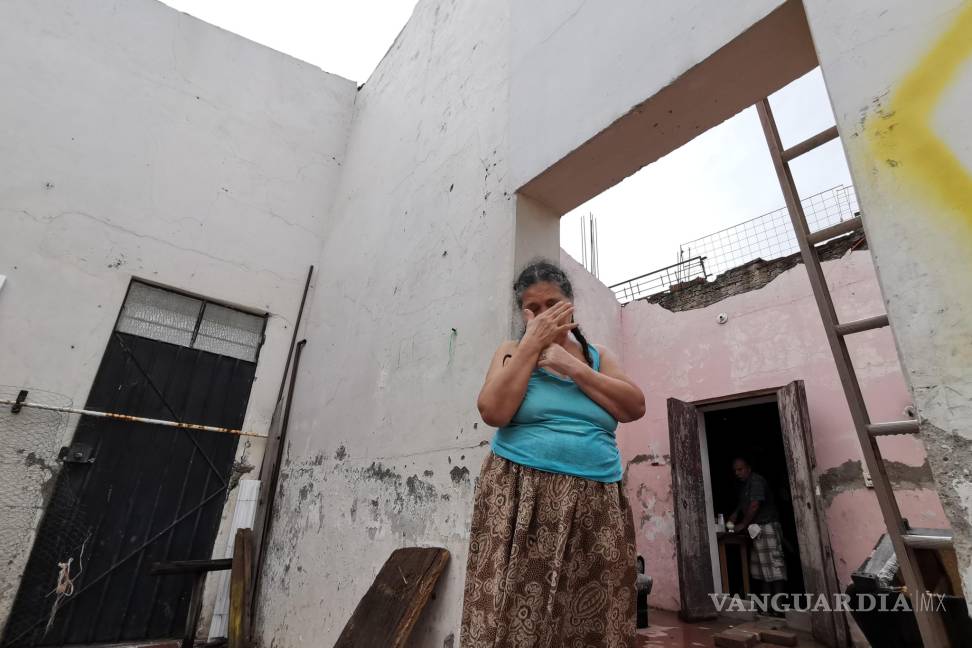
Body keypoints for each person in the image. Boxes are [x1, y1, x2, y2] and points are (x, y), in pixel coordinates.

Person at [459, 260, 647, 648]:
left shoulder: (598, 356)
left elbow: (634, 407)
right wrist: (532, 345)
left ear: (570, 305)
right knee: (516, 611)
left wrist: (573, 367)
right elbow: (493, 411)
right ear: (522, 313)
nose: (544, 315)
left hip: (598, 499)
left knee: (591, 615)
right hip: (521, 494)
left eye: (552, 304)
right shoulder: (511, 352)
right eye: (533, 308)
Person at [727, 457, 787, 598]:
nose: (737, 473)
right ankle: (767, 605)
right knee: (763, 572)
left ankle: (778, 606)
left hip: (767, 527)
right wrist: (736, 513)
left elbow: (754, 505)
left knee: (775, 569)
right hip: (756, 530)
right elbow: (745, 503)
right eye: (735, 471)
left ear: (749, 468)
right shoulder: (745, 485)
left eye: (740, 469)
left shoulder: (756, 481)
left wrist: (743, 524)